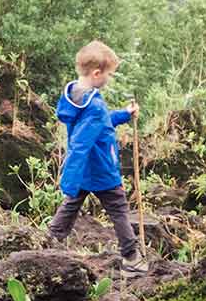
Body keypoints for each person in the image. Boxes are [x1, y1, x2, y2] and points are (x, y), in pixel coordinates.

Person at [48, 39, 144, 272]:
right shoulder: (95, 106)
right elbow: (80, 144)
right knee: (118, 210)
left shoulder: (76, 97)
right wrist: (68, 182)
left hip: (85, 171)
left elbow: (98, 126)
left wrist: (123, 114)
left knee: (71, 206)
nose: (109, 79)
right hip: (100, 168)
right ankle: (132, 258)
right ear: (97, 73)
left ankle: (49, 243)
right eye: (109, 75)